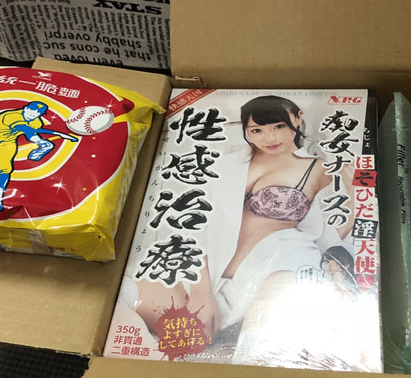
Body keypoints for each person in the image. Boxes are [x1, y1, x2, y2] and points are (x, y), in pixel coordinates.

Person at [134, 95, 355, 359]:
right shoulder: (224, 162)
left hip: (274, 263)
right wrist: (201, 292)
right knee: (137, 294)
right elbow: (196, 223)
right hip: (210, 271)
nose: (269, 137)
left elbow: (335, 227)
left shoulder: (319, 168)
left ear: (298, 118)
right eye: (256, 130)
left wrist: (353, 197)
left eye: (279, 126)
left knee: (263, 349)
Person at [0, 101, 78, 211]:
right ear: (25, 108)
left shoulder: (36, 122)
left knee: (4, 167)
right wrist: (57, 133)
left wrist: (40, 142)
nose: (33, 114)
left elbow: (30, 134)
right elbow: (24, 128)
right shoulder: (11, 116)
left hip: (6, 142)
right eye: (32, 110)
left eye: (38, 113)